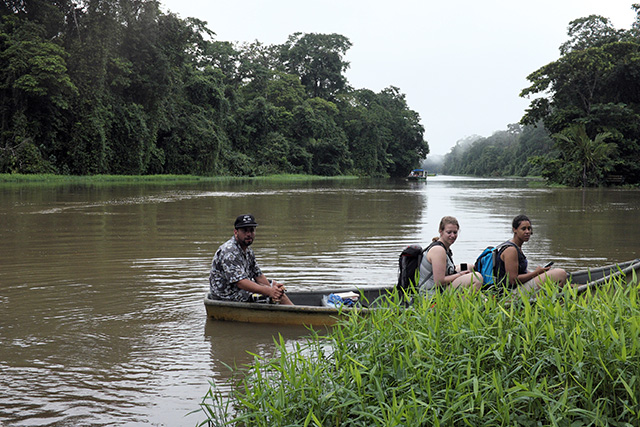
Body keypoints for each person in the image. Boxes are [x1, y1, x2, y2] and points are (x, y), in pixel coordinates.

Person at [209, 214, 293, 305]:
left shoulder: (248, 251)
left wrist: (272, 289)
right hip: (227, 296)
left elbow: (258, 275)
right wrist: (269, 292)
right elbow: (241, 282)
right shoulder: (229, 252)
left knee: (277, 290)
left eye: (251, 230)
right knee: (277, 295)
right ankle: (296, 315)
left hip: (240, 291)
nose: (248, 234)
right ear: (236, 232)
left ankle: (294, 312)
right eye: (244, 231)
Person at [496, 214, 567, 293]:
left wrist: (539, 273)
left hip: (517, 288)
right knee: (561, 273)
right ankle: (555, 298)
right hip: (510, 293)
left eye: (529, 228)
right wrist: (536, 273)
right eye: (523, 229)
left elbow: (521, 271)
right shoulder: (511, 250)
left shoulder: (516, 247)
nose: (527, 232)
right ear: (514, 230)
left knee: (555, 274)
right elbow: (513, 280)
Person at [418, 216, 483, 294]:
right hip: (432, 294)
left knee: (469, 267)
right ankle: (462, 302)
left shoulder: (444, 247)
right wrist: (460, 275)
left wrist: (462, 272)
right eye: (449, 232)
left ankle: (475, 295)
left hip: (440, 289)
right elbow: (439, 281)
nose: (452, 236)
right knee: (477, 277)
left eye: (455, 232)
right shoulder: (438, 250)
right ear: (441, 231)